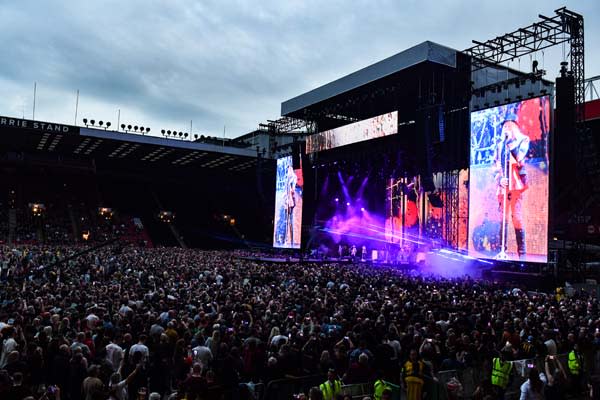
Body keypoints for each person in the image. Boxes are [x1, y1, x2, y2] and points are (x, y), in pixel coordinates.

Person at [493, 118, 530, 260]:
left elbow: (520, 158)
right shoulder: (499, 146)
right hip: (504, 184)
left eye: (509, 126)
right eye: (504, 127)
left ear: (515, 127)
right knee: (503, 217)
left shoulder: (523, 140)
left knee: (517, 217)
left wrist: (510, 143)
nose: (505, 129)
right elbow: (495, 164)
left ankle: (523, 254)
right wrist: (499, 179)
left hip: (516, 183)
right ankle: (502, 250)